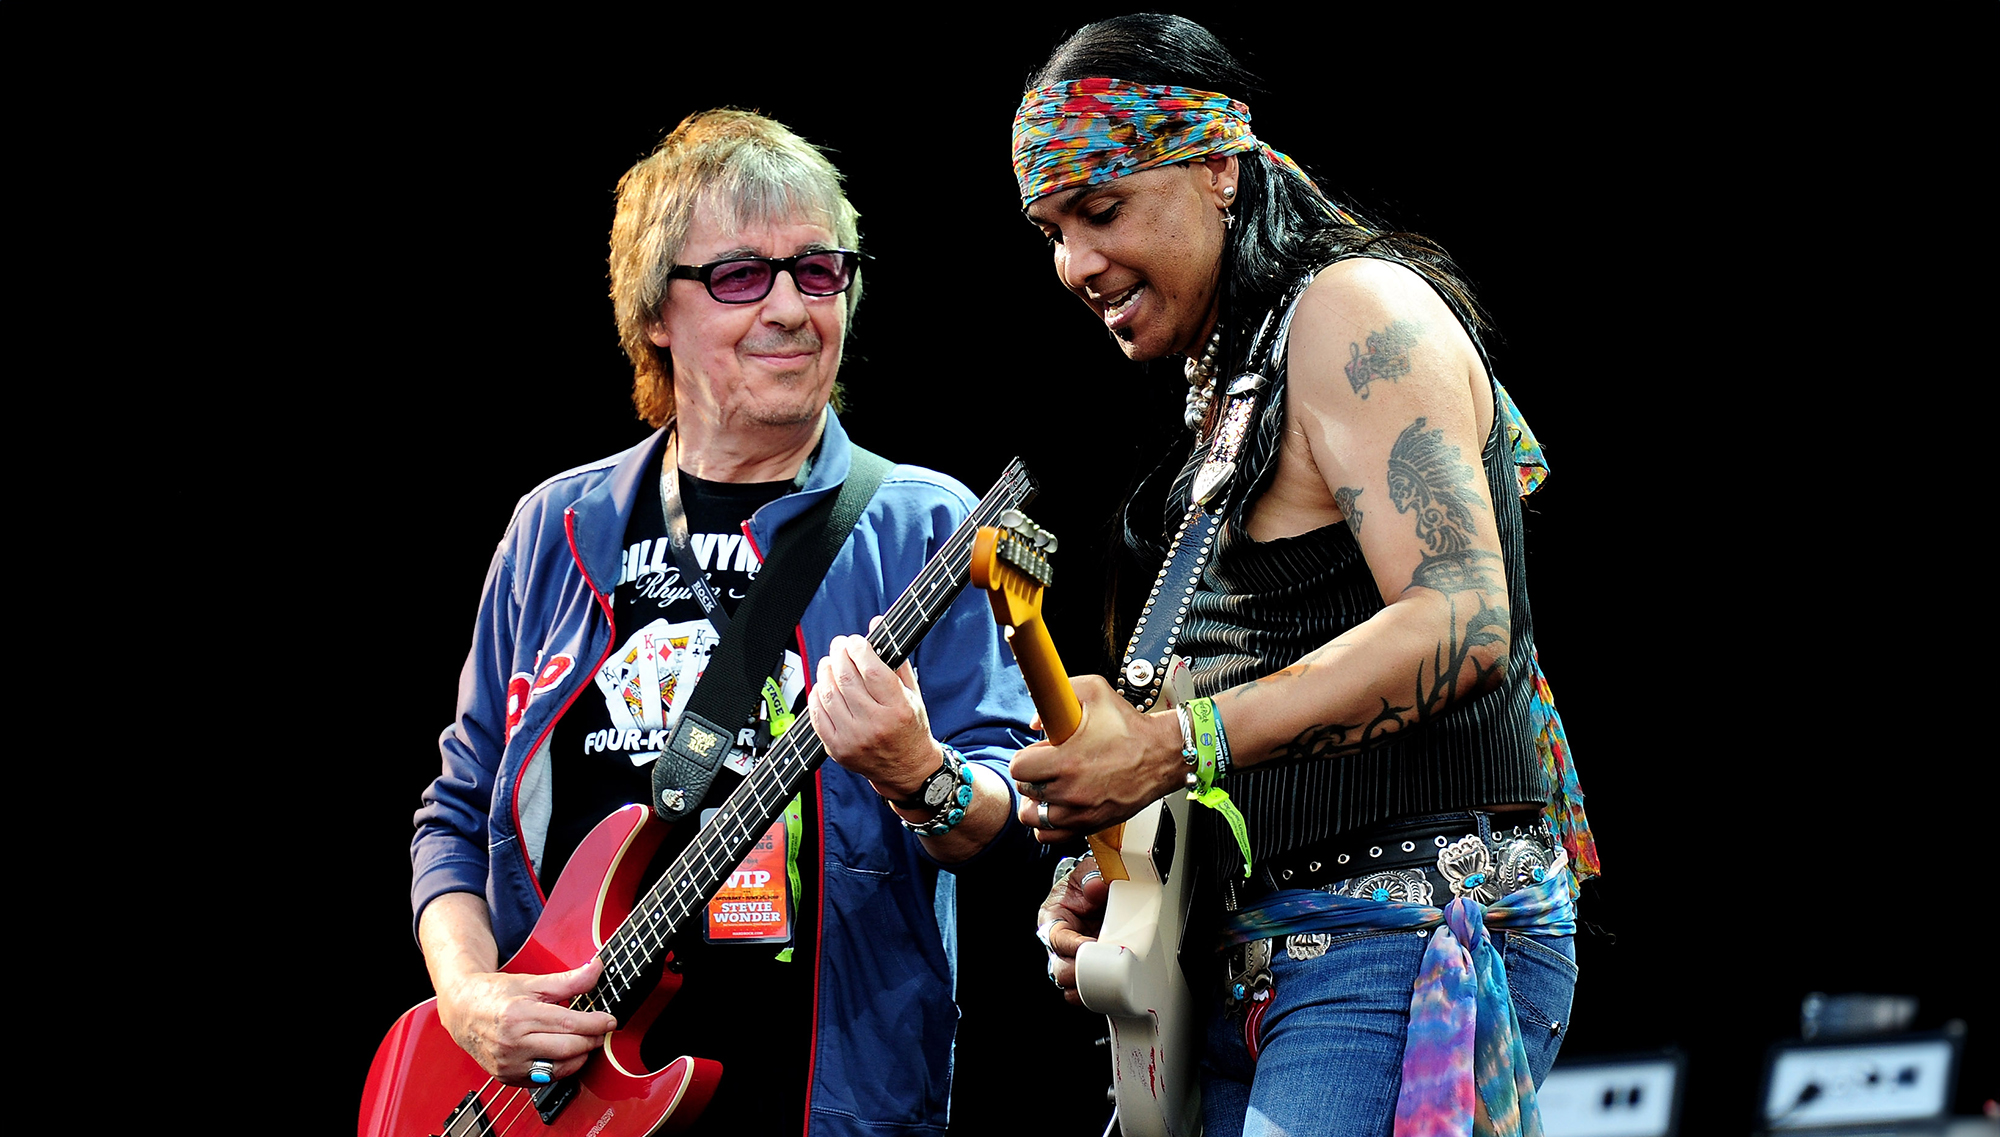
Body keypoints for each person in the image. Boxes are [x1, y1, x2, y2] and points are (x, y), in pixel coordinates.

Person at [1005, 16, 1602, 1137]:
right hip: (1256, 954)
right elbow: (1261, 677)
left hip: (1395, 931)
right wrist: (1132, 857)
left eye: (1102, 207)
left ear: (1217, 168)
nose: (1075, 265)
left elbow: (1461, 622)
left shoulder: (1349, 311)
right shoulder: (1231, 383)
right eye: (1050, 229)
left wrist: (1170, 745)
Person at [409, 109, 1036, 1136]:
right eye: (742, 276)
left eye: (819, 271)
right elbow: (456, 812)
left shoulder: (923, 523)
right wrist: (470, 999)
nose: (791, 308)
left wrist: (923, 775)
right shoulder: (555, 528)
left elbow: (1023, 824)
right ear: (656, 312)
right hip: (552, 1104)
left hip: (823, 1097)